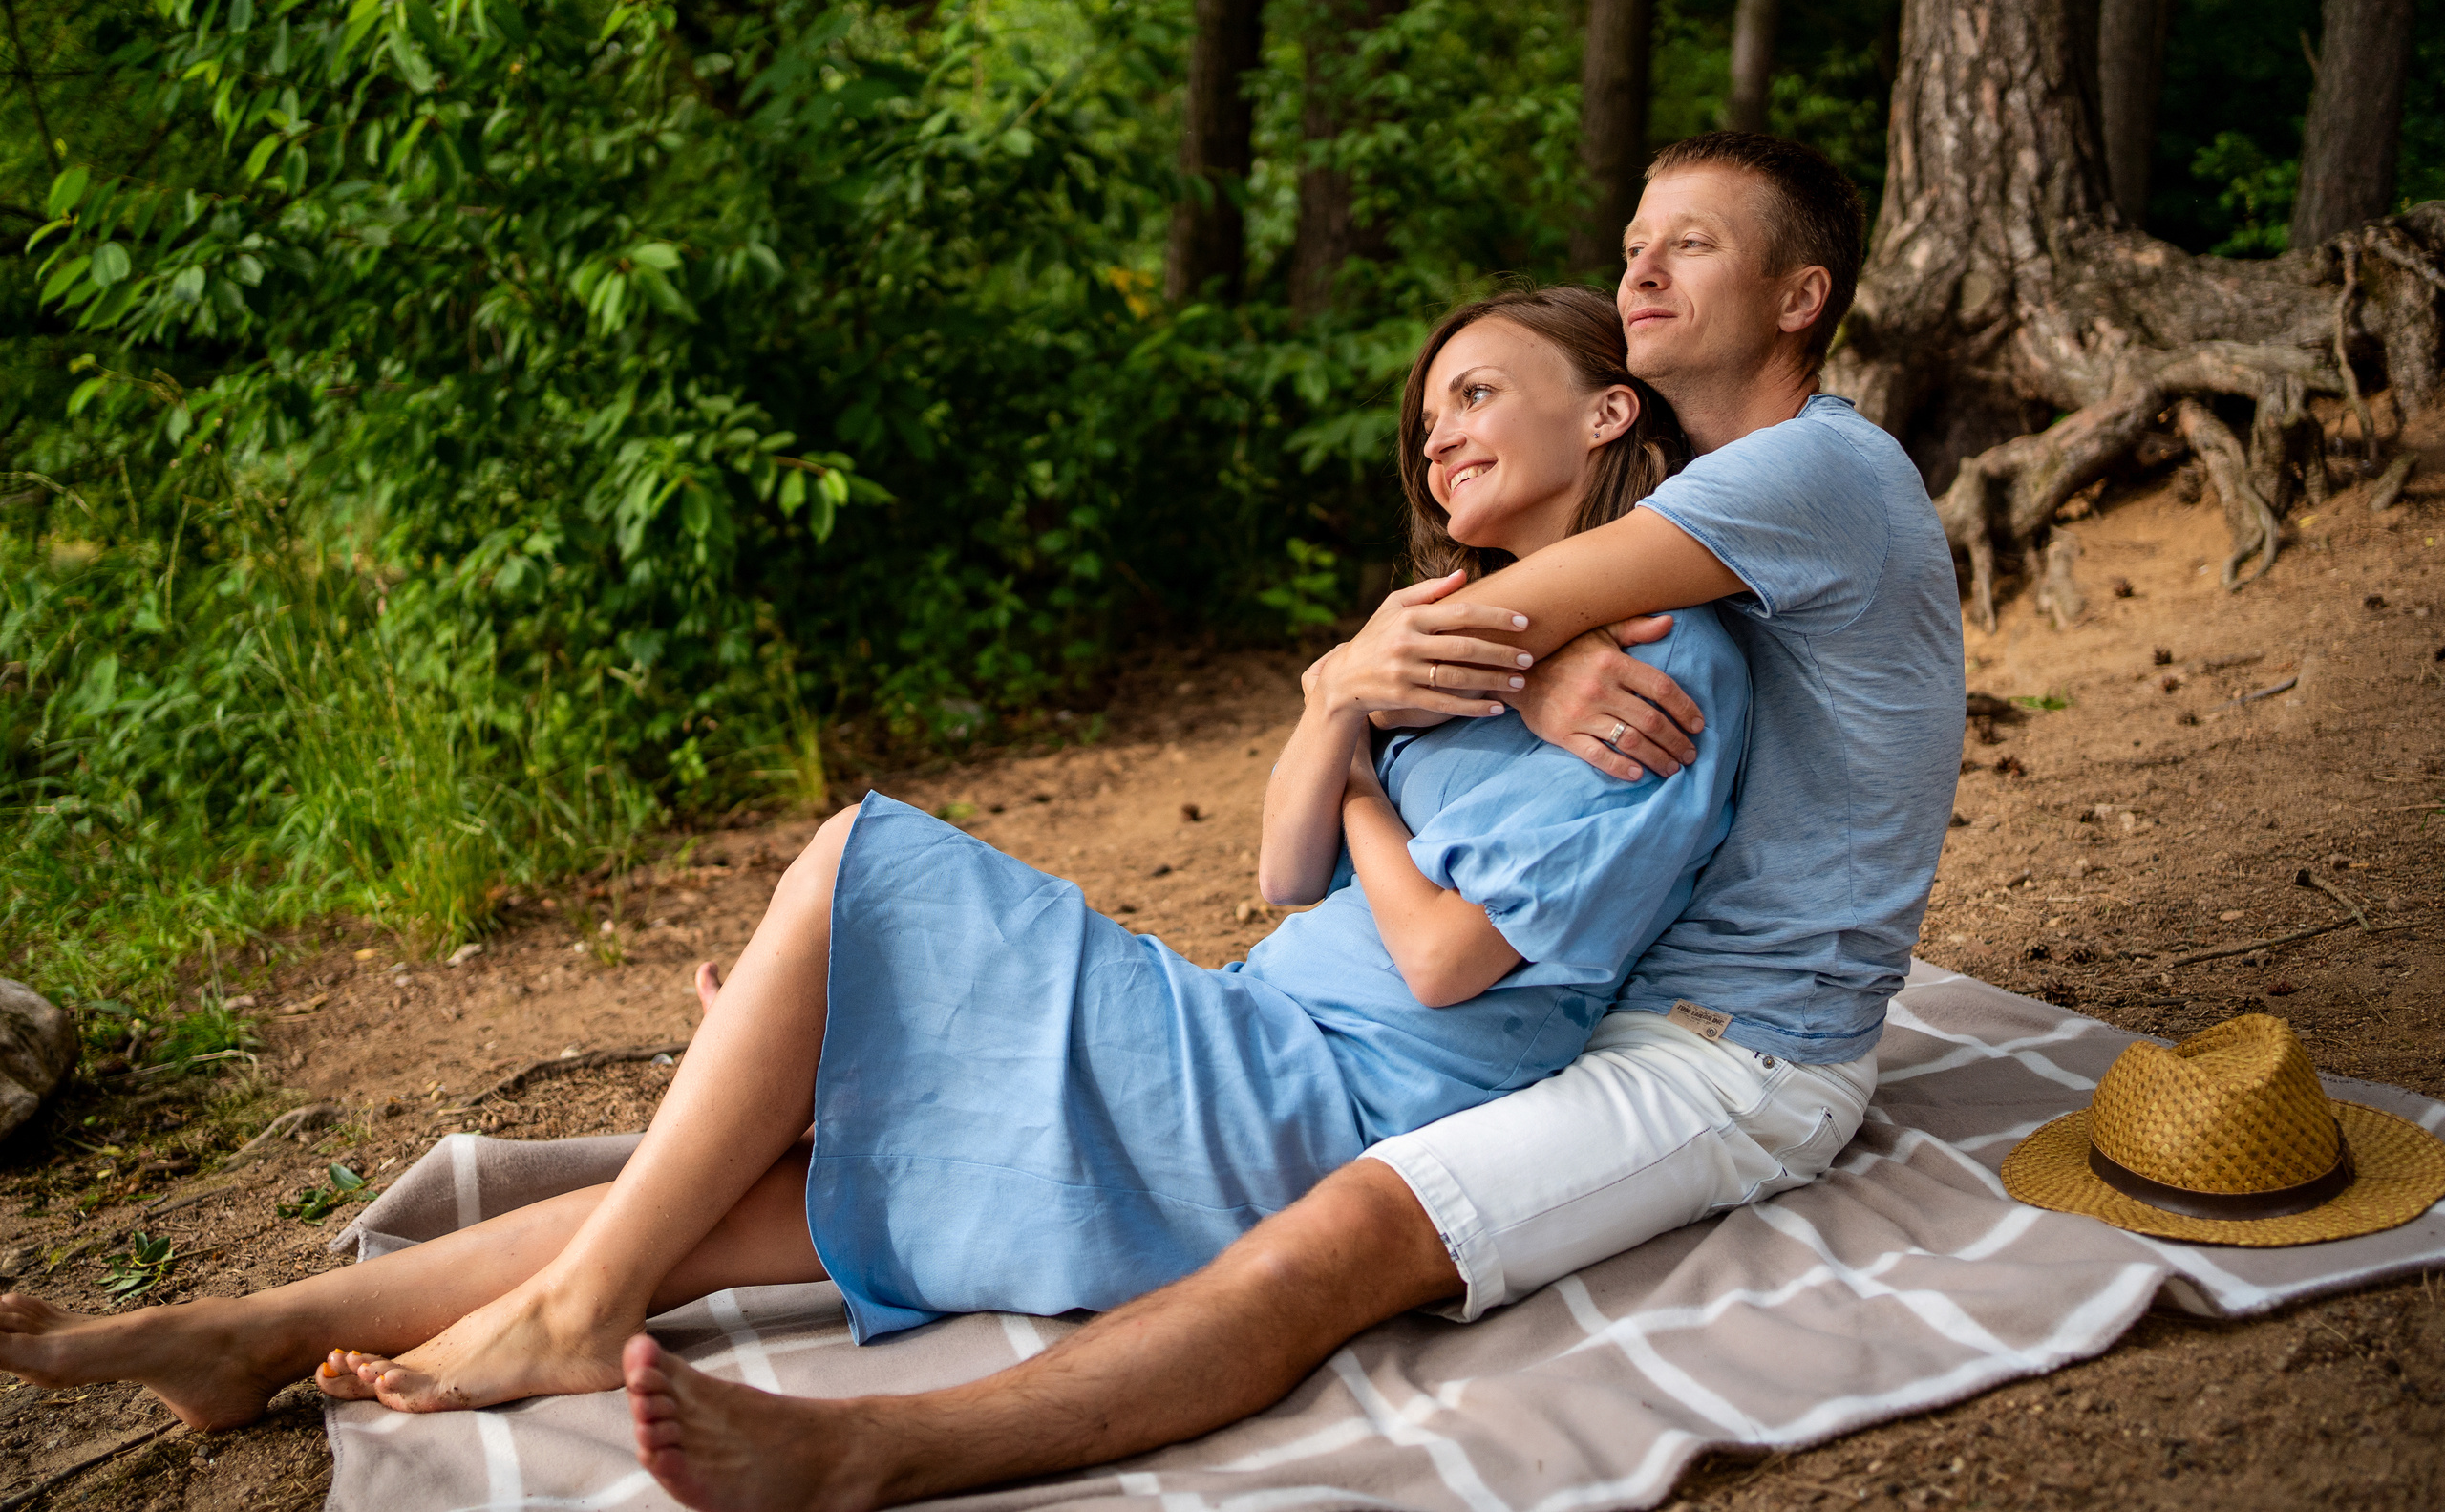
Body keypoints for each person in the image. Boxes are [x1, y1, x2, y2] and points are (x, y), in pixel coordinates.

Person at [0, 292, 1754, 1429]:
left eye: (1475, 393)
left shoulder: (1669, 660)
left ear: (1610, 415)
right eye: (1425, 412)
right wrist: (1338, 703)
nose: (1436, 432)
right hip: (1245, 1034)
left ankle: (577, 1302)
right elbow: (1287, 872)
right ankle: (257, 1330)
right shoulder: (1452, 621)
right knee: (759, 1196)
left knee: (862, 860)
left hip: (1327, 1117)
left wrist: (1364, 762)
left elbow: (1444, 962)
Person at [609, 130, 1967, 1510]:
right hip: (1607, 989)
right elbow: (1491, 627)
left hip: (1738, 1050)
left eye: (1691, 244)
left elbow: (1471, 627)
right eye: (1632, 244)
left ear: (1799, 299)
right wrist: (1500, 658)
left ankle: (874, 1448)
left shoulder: (1811, 473)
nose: (1640, 271)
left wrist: (1426, 664)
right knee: (847, 1140)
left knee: (1343, 1241)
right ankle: (432, 1301)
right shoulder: (1700, 499)